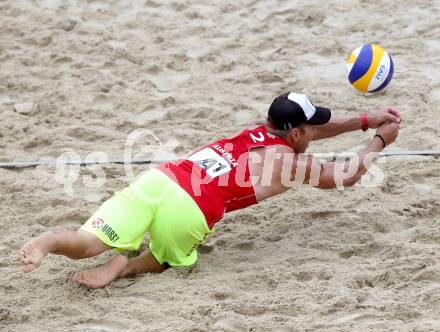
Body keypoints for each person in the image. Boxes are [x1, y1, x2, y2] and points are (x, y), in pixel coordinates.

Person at [20, 92, 401, 288]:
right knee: (165, 258)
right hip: (193, 209)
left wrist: (364, 121)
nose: (317, 132)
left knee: (87, 241)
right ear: (296, 133)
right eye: (312, 129)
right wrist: (381, 139)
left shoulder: (257, 127)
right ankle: (125, 267)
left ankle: (53, 240)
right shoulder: (292, 165)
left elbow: (319, 126)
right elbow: (348, 174)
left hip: (160, 180)